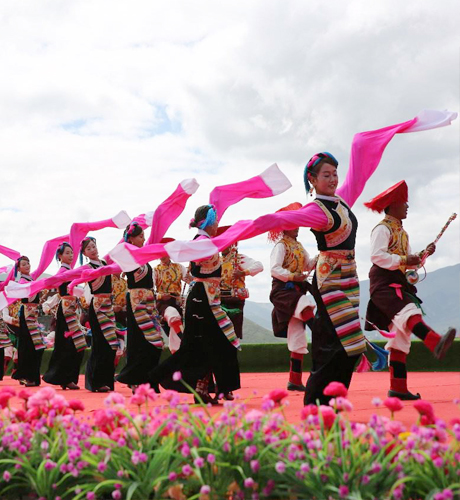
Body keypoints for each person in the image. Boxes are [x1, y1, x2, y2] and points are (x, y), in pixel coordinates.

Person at [364, 181, 456, 400]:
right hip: (384, 284)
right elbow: (377, 256)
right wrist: (407, 259)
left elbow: (409, 263)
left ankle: (398, 388)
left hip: (396, 282)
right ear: (393, 204)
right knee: (409, 314)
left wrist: (424, 254)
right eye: (404, 202)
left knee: (400, 338)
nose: (407, 206)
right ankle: (434, 342)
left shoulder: (402, 233)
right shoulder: (382, 229)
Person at [149, 204, 241, 404]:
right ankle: (155, 377)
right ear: (207, 222)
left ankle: (213, 388)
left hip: (207, 300)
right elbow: (197, 257)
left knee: (213, 345)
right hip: (202, 301)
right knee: (208, 345)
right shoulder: (201, 243)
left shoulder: (204, 241)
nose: (217, 223)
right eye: (215, 219)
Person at [268, 203, 316, 392]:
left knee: (297, 337)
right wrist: (292, 276)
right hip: (283, 291)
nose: (297, 227)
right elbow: (274, 269)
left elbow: (307, 264)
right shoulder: (280, 246)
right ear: (285, 226)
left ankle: (294, 381)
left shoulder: (298, 246)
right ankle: (320, 332)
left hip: (296, 290)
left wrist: (323, 257)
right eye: (293, 224)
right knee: (305, 306)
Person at [116, 222, 164, 391]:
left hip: (149, 302)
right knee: (141, 342)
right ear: (131, 239)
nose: (144, 239)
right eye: (141, 236)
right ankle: (136, 379)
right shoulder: (128, 257)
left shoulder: (143, 258)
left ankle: (148, 379)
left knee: (155, 341)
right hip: (137, 303)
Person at [42, 243, 86, 390]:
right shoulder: (62, 272)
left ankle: (66, 377)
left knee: (76, 344)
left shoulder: (69, 271)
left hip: (71, 310)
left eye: (72, 253)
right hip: (66, 311)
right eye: (67, 253)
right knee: (70, 345)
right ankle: (65, 378)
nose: (71, 255)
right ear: (60, 256)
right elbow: (63, 290)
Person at [80, 237, 119, 392]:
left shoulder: (104, 263)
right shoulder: (87, 268)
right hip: (96, 308)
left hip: (108, 306)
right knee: (100, 345)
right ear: (84, 253)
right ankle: (95, 382)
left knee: (111, 344)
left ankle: (107, 381)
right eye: (89, 249)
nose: (93, 250)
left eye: (94, 246)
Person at [218, 226, 263, 340]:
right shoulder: (216, 261)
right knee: (219, 332)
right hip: (218, 299)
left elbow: (259, 266)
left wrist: (242, 273)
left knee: (233, 332)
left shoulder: (239, 258)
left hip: (235, 299)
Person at [11, 256, 46, 387]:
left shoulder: (31, 278)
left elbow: (42, 265)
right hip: (26, 315)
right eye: (24, 264)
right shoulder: (21, 282)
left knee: (36, 347)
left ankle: (32, 377)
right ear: (18, 269)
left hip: (34, 317)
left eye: (28, 263)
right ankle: (27, 376)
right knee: (29, 347)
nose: (27, 266)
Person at [153, 238, 189, 353]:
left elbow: (191, 281)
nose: (161, 255)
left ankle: (178, 359)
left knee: (174, 333)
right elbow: (149, 290)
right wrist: (160, 296)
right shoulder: (155, 271)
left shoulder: (179, 267)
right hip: (162, 303)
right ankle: (186, 342)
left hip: (177, 301)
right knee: (174, 317)